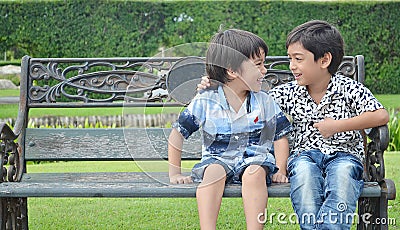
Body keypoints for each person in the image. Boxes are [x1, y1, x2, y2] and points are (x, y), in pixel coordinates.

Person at [197, 20, 389, 229]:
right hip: (303, 156)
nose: (292, 66)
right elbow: (247, 96)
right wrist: (216, 83)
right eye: (290, 59)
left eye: (298, 59)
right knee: (305, 178)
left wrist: (337, 126)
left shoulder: (348, 88)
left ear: (324, 60)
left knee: (342, 178)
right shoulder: (288, 92)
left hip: (344, 155)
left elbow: (380, 115)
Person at [168, 29, 292, 230]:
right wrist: (174, 173)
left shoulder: (265, 101)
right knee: (213, 173)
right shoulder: (206, 100)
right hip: (217, 159)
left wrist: (280, 169)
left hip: (255, 159)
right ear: (232, 71)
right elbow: (178, 133)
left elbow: (280, 136)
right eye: (258, 64)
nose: (265, 70)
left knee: (254, 174)